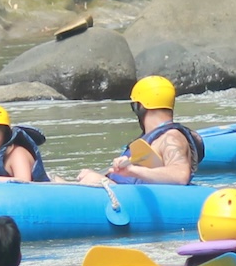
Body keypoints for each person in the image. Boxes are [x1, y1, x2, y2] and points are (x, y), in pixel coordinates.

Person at [75, 76, 204, 188]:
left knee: (89, 180)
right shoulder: (152, 139)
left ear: (139, 106)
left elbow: (181, 175)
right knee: (74, 177)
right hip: (129, 193)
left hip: (136, 203)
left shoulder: (171, 137)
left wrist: (132, 171)